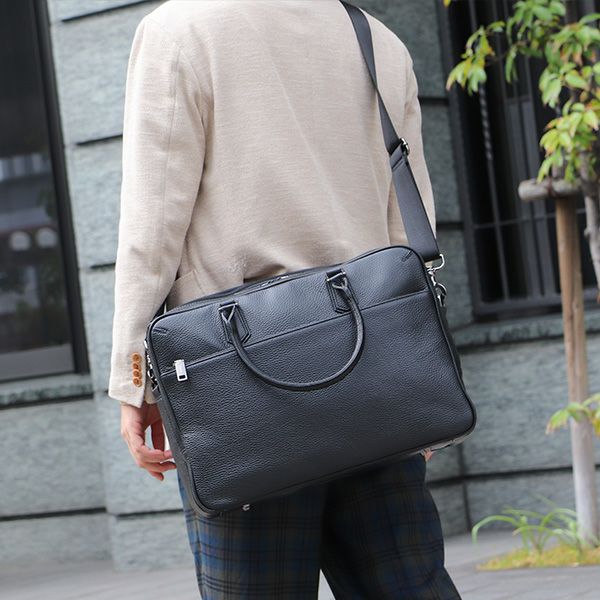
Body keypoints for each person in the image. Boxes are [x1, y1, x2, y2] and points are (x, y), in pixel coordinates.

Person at [108, 1, 460, 598]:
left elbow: (153, 224)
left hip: (238, 379)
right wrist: (419, 382)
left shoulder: (179, 30)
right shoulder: (376, 40)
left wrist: (135, 379)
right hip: (374, 371)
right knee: (408, 586)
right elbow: (408, 226)